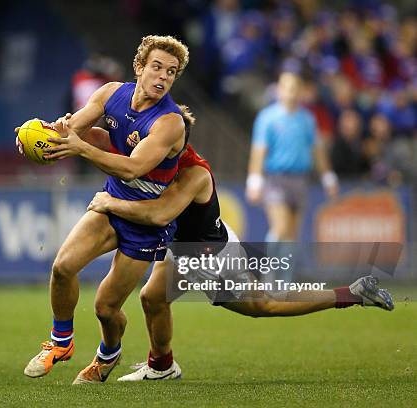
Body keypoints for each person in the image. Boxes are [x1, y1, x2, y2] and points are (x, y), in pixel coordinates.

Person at [87, 106, 394, 381]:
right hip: (185, 247)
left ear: (177, 143)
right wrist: (69, 134)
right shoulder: (154, 158)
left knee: (263, 304)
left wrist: (109, 203)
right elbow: (110, 144)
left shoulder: (194, 173)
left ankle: (351, 293)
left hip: (209, 257)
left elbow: (158, 215)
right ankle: (162, 365)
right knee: (153, 297)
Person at [20, 35, 189, 384]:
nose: (162, 77)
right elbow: (70, 130)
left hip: (145, 221)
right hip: (110, 203)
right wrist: (35, 138)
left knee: (105, 308)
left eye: (171, 72)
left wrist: (80, 148)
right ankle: (60, 342)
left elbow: (132, 168)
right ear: (139, 67)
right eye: (156, 67)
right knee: (63, 268)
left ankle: (107, 355)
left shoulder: (170, 122)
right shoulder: (112, 93)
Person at [246, 71, 339, 282]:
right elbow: (259, 150)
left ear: (301, 92)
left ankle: (283, 282)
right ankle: (268, 274)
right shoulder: (268, 117)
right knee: (280, 228)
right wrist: (254, 180)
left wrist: (328, 178)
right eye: (287, 88)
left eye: (295, 88)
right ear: (279, 90)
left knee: (292, 235)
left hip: (300, 180)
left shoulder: (307, 119)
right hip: (276, 179)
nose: (291, 92)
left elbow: (317, 151)